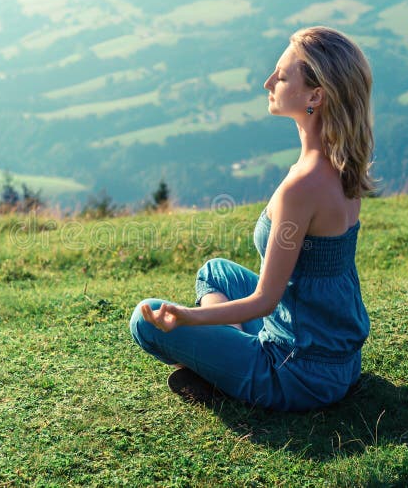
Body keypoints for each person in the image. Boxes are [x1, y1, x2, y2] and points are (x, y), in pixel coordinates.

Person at [129, 26, 375, 412]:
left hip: (298, 373)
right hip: (334, 358)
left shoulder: (303, 187)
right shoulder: (342, 164)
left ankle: (222, 370)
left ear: (316, 95)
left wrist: (189, 318)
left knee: (143, 322)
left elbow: (264, 301)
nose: (268, 82)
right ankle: (222, 356)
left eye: (281, 74)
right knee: (215, 272)